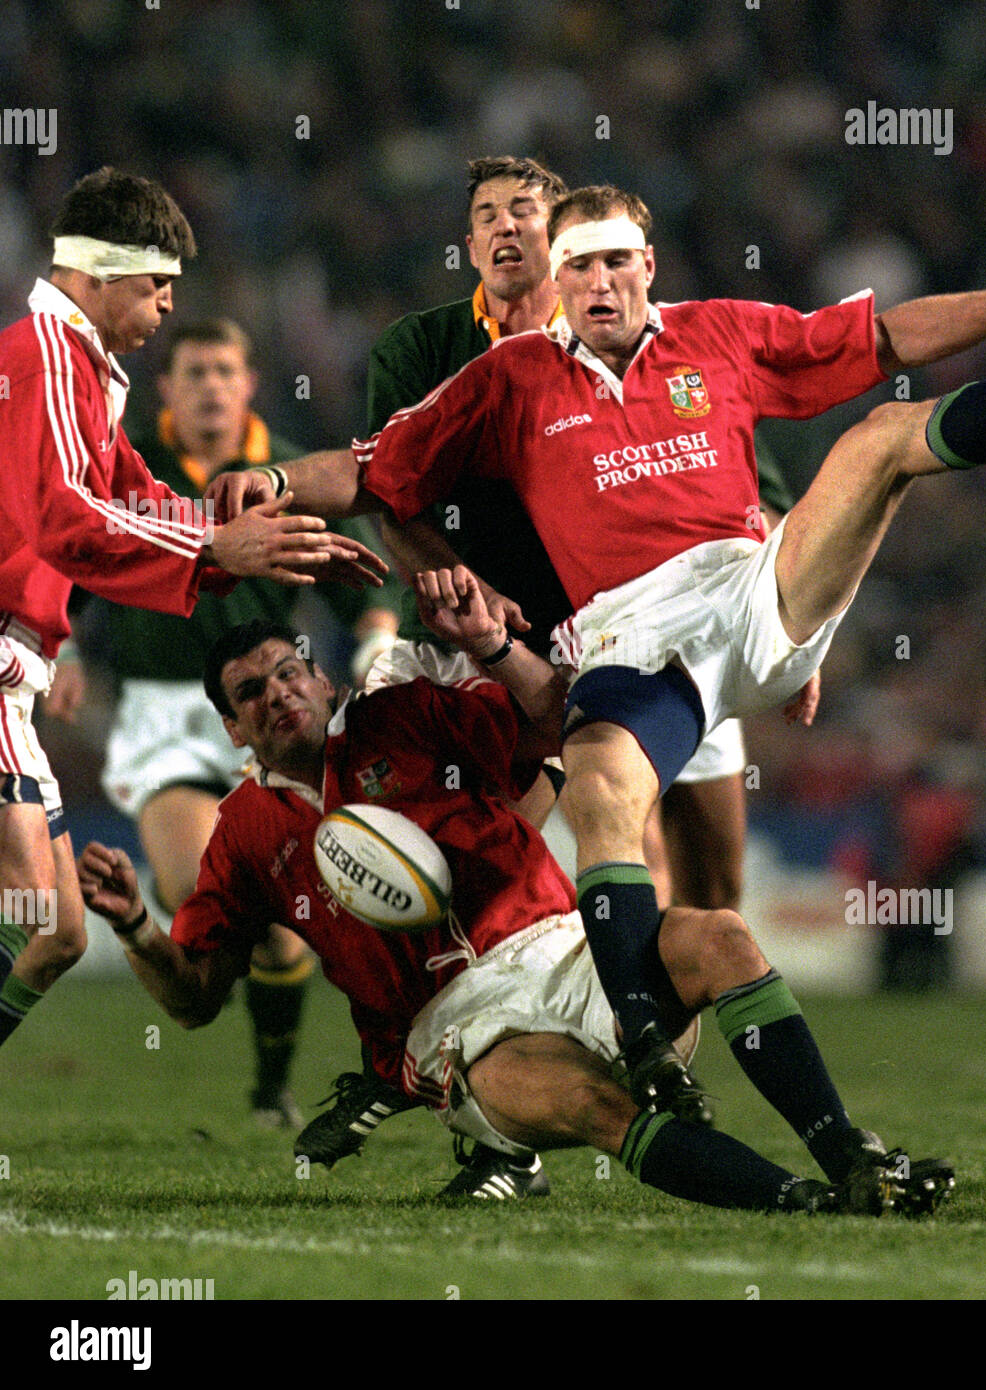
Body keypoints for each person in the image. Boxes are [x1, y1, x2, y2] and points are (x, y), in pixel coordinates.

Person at [208, 192, 986, 1122]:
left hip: (754, 593)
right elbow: (377, 468)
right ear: (558, 277)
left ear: (648, 264)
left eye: (616, 261)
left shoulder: (719, 334)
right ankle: (648, 1044)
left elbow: (876, 341)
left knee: (881, 439)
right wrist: (281, 479)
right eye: (578, 266)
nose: (599, 282)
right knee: (612, 810)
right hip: (632, 637)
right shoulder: (512, 378)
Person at [78, 600, 953, 1215]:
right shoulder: (242, 834)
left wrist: (495, 644)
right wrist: (134, 926)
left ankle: (852, 1157)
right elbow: (194, 998)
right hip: (449, 1027)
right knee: (584, 1103)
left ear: (315, 673)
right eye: (251, 694)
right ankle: (794, 1202)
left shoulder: (409, 714)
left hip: (564, 945)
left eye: (287, 672)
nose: (278, 694)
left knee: (719, 935)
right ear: (233, 729)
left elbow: (550, 722)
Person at [0, 167, 385, 1053]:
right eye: (156, 284)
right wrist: (214, 550)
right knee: (31, 914)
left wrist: (265, 534)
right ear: (97, 275)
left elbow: (137, 502)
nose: (170, 305)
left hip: (20, 666)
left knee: (57, 933)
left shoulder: (87, 370)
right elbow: (70, 519)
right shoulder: (49, 358)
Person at [366, 154, 800, 913]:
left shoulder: (646, 343)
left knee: (712, 880)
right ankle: (587, 1018)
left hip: (668, 627)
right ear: (469, 246)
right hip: (504, 648)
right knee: (515, 857)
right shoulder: (423, 352)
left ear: (562, 238)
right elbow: (385, 491)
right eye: (485, 216)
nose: (504, 225)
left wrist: (790, 632)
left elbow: (750, 494)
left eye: (523, 210)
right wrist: (463, 586)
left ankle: (663, 1013)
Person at [49, 319, 400, 1124]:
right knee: (199, 891)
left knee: (283, 930)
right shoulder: (128, 465)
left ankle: (270, 1088)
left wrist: (376, 635)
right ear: (165, 387)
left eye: (226, 371)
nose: (211, 385)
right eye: (195, 371)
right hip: (163, 712)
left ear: (248, 384)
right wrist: (62, 651)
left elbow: (362, 581)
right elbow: (68, 552)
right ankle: (235, 1030)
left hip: (268, 716)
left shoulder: (282, 472)